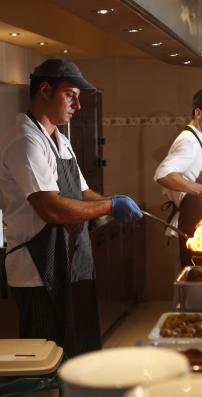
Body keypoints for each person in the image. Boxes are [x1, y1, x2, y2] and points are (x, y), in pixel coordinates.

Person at [0, 59, 143, 358]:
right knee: (48, 359)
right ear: (45, 90)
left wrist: (114, 201)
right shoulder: (25, 141)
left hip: (70, 262)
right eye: (70, 95)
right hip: (37, 271)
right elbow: (51, 209)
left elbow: (81, 191)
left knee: (76, 350)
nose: (77, 105)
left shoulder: (59, 139)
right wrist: (109, 207)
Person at [154, 88, 202, 267]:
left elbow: (191, 178)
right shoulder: (188, 141)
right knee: (196, 282)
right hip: (192, 224)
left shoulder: (198, 139)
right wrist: (201, 191)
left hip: (198, 221)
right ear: (198, 113)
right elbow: (162, 174)